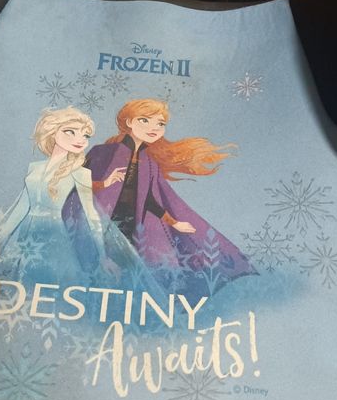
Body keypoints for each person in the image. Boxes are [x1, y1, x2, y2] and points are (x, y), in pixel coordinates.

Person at [78, 98, 256, 298]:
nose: (154, 127)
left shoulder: (149, 161)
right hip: (102, 222)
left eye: (160, 123)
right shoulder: (103, 152)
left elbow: (150, 200)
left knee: (138, 277)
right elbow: (77, 185)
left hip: (134, 227)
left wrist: (174, 222)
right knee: (105, 272)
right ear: (129, 122)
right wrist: (104, 184)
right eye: (145, 120)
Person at [0, 107, 118, 287]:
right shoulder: (34, 167)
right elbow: (21, 208)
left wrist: (103, 256)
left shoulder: (81, 173)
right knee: (18, 284)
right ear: (52, 131)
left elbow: (91, 214)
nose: (80, 139)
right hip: (24, 236)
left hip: (54, 236)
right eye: (70, 131)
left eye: (85, 135)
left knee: (51, 284)